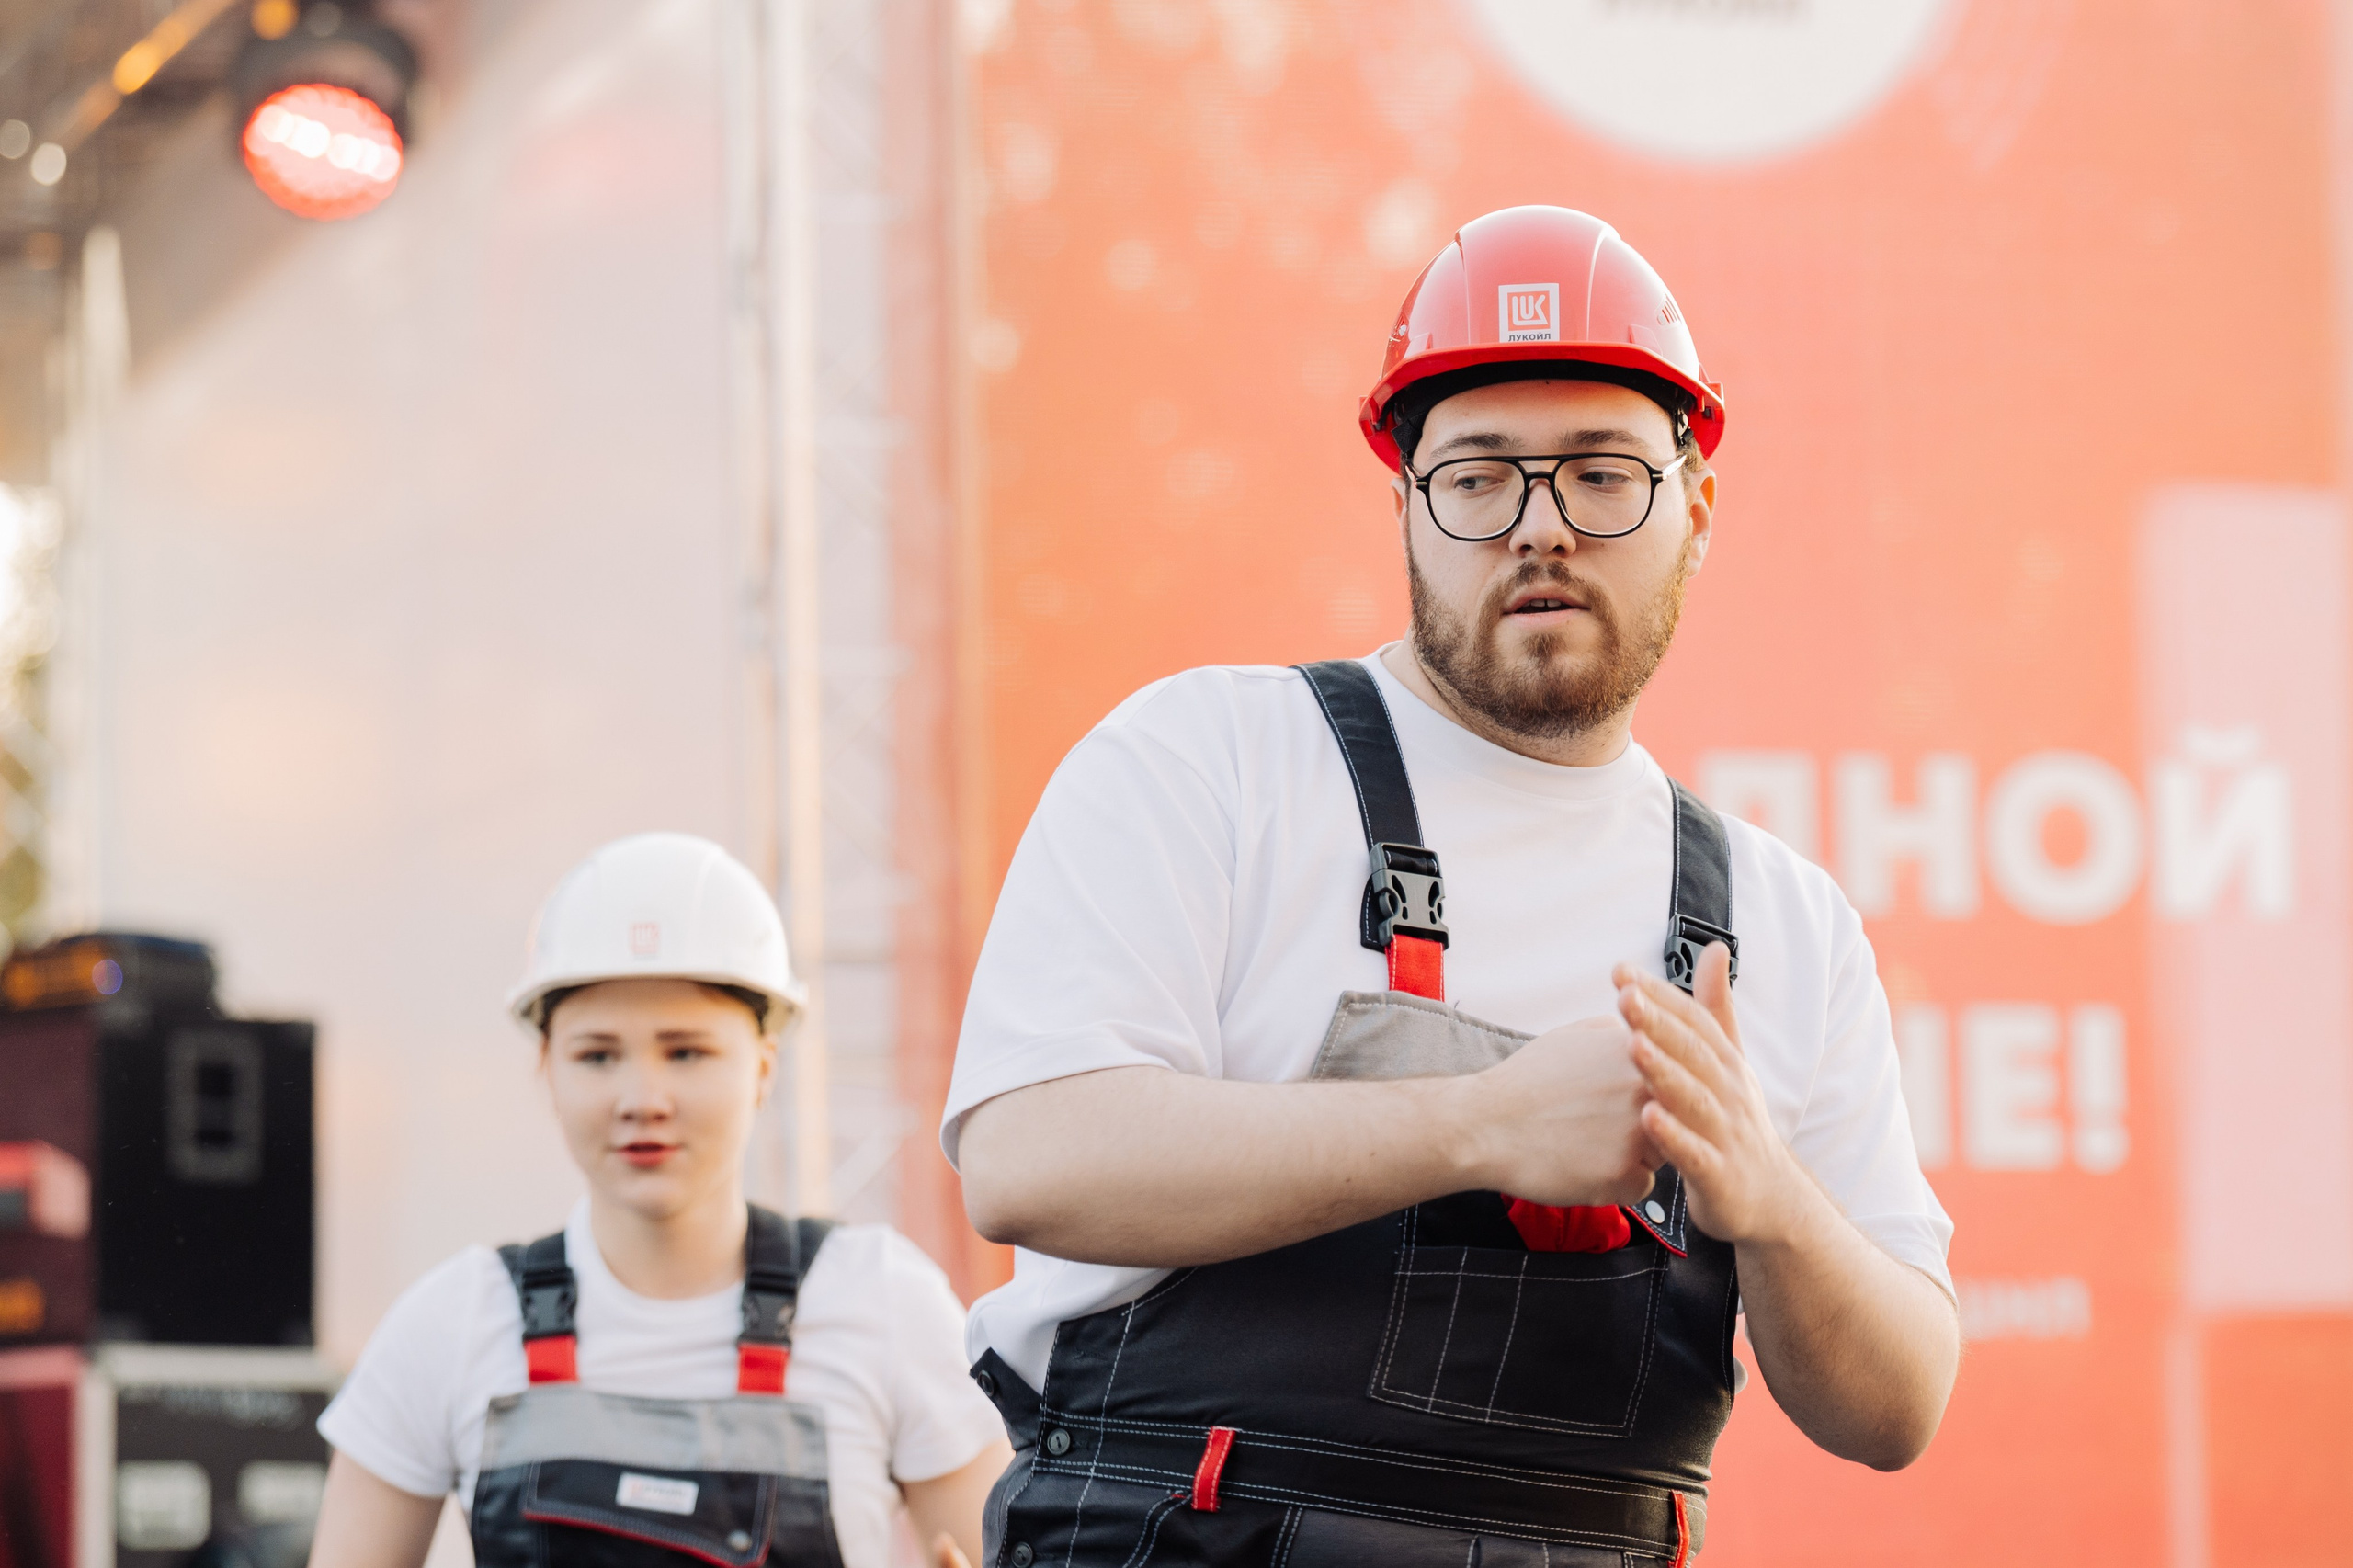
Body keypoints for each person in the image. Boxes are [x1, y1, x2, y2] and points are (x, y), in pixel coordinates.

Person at [944, 206, 1959, 1567]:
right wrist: (1480, 1124)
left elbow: (1897, 1405)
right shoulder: (1216, 760)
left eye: (1604, 475)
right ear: (1408, 506)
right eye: (1479, 478)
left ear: (1697, 507)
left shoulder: (1786, 920)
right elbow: (1027, 1159)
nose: (1541, 528)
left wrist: (1767, 1192)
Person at [308, 832, 1009, 1568]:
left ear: (764, 1067)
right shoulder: (451, 1324)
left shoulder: (881, 1303)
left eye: (687, 1051)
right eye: (598, 1054)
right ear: (545, 1068)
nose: (643, 1100)